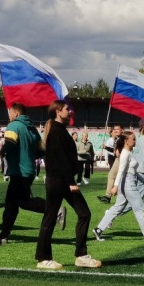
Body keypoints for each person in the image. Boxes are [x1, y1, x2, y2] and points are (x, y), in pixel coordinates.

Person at [35, 101, 101, 270]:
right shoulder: (57, 132)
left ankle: (80, 256)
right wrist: (71, 182)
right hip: (60, 181)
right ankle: (45, 258)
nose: (70, 111)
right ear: (58, 111)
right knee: (57, 217)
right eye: (66, 109)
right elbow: (60, 161)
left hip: (60, 180)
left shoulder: (60, 131)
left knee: (80, 214)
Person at [0, 102, 64, 245]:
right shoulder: (32, 128)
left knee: (23, 202)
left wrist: (3, 150)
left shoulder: (13, 126)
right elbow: (41, 151)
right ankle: (3, 235)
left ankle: (55, 209)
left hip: (19, 170)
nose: (9, 116)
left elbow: (10, 145)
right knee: (11, 204)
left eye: (10, 113)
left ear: (16, 113)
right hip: (28, 170)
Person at [93, 130, 144, 245]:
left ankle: (98, 229)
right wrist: (115, 187)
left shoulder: (128, 153)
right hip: (128, 184)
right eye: (133, 139)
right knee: (140, 210)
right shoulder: (125, 154)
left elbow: (134, 172)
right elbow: (121, 171)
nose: (135, 141)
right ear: (126, 141)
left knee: (118, 208)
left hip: (127, 183)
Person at [98, 125, 124, 204]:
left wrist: (108, 148)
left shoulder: (122, 138)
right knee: (114, 176)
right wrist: (107, 147)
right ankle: (109, 196)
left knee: (113, 176)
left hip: (121, 159)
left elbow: (121, 149)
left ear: (122, 130)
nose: (116, 131)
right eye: (115, 129)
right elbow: (114, 150)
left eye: (118, 129)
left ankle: (108, 196)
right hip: (118, 159)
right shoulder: (118, 139)